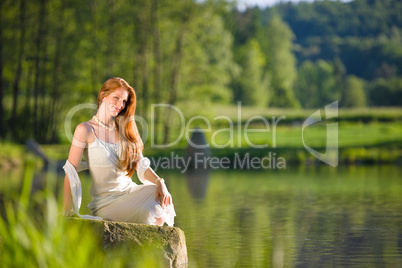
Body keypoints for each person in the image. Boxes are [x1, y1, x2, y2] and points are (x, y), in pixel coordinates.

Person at [63, 77, 175, 226]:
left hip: (129, 192)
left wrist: (159, 182)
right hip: (105, 203)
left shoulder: (124, 130)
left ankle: (148, 246)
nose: (120, 105)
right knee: (150, 212)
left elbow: (140, 164)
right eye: (116, 98)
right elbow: (71, 171)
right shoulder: (85, 129)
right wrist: (67, 210)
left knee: (162, 198)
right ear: (103, 95)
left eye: (123, 101)